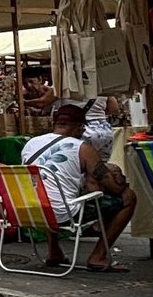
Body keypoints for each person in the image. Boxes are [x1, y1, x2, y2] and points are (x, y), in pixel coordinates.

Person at [20, 102, 135, 273]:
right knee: (129, 197)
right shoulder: (82, 148)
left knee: (47, 193)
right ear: (80, 128)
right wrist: (121, 182)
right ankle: (98, 256)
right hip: (62, 215)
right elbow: (114, 188)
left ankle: (54, 251)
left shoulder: (30, 144)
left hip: (29, 211)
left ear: (55, 125)